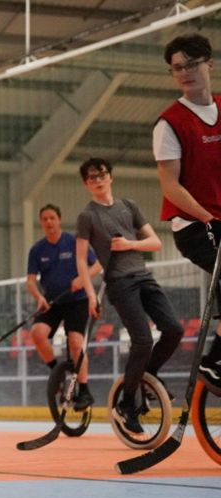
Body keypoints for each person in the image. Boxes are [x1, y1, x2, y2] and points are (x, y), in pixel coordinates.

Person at [75, 158, 182, 435]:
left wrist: (129, 244)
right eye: (91, 177)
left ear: (110, 176)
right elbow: (80, 262)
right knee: (143, 340)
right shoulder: (87, 216)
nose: (98, 180)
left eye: (102, 174)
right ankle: (127, 404)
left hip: (144, 276)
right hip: (120, 284)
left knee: (174, 329)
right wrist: (90, 295)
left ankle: (150, 374)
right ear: (86, 184)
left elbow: (155, 243)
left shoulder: (129, 206)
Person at [153, 34, 221, 388]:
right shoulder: (170, 123)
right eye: (177, 68)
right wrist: (209, 217)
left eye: (191, 65)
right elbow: (171, 187)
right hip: (194, 225)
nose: (184, 73)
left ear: (208, 64)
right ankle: (215, 362)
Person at [26, 203, 102, 410]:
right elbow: (31, 281)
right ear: (41, 223)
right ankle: (57, 373)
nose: (49, 222)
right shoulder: (37, 250)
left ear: (59, 220)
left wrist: (81, 278)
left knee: (76, 343)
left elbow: (97, 264)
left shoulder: (74, 243)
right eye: (45, 219)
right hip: (53, 302)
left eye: (52, 218)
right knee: (37, 333)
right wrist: (38, 297)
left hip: (77, 301)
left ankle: (84, 391)